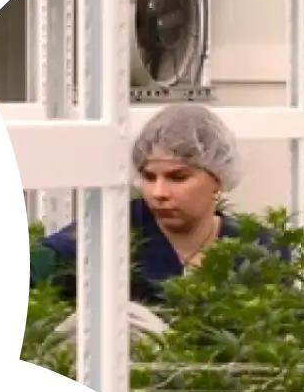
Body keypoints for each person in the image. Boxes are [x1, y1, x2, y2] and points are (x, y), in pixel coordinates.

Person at [27, 103, 288, 305]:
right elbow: (40, 263)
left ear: (218, 179)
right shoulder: (112, 233)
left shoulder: (260, 249)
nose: (159, 192)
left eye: (178, 177)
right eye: (149, 177)